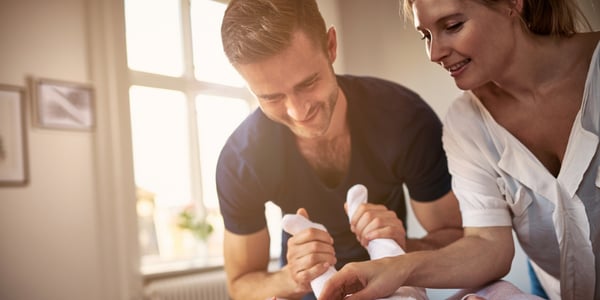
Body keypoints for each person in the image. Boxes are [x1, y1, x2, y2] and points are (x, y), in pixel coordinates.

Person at [319, 0, 600, 299]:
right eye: (425, 35)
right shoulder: (466, 123)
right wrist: (397, 268)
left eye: (453, 26)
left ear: (512, 3)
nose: (434, 53)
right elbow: (490, 245)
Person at [216, 0, 463, 299]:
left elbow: (458, 238)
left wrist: (402, 246)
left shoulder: (405, 120)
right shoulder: (240, 160)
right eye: (271, 97)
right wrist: (292, 277)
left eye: (308, 82)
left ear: (331, 46)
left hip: (389, 290)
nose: (297, 111)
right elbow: (240, 283)